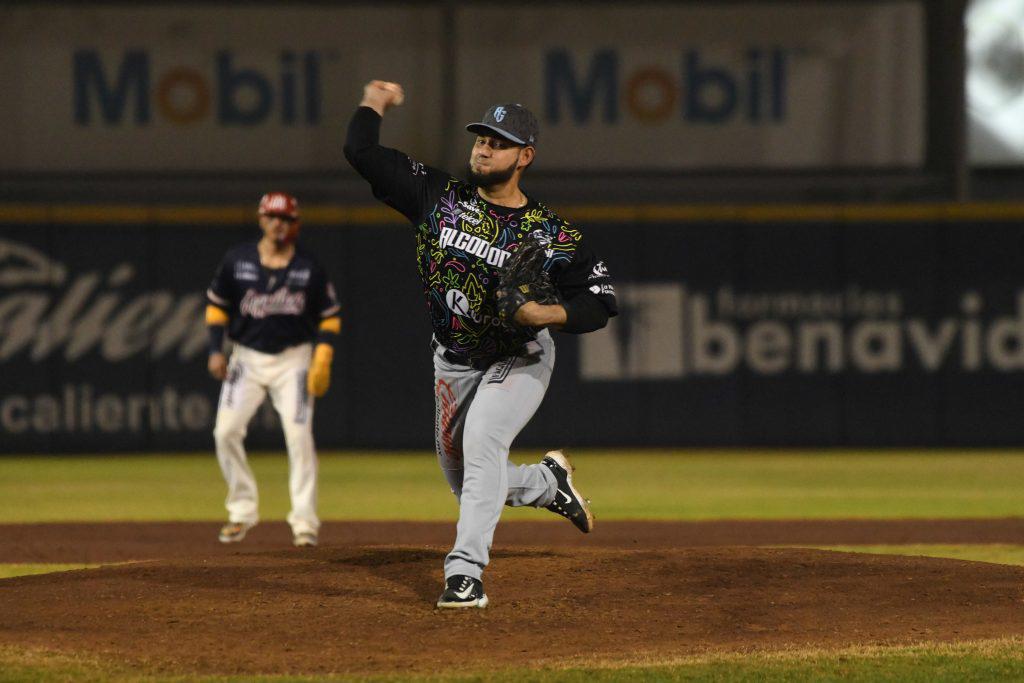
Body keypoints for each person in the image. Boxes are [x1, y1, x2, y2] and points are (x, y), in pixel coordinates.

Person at [344, 81, 618, 608]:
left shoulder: (551, 234)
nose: (484, 147)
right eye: (481, 138)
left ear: (525, 156)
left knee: (484, 444)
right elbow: (361, 152)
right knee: (465, 477)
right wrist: (374, 100)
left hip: (519, 356)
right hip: (452, 359)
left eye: (499, 141)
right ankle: (545, 483)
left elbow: (599, 301)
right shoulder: (437, 197)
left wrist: (547, 313)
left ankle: (465, 573)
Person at [205, 192, 341, 548]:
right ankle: (242, 511)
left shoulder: (308, 267)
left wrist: (322, 355)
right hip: (245, 358)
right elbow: (217, 307)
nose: (278, 223)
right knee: (225, 431)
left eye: (286, 218)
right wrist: (214, 351)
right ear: (261, 218)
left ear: (294, 223)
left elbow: (330, 315)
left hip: (293, 359)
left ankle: (304, 523)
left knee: (299, 438)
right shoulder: (238, 261)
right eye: (272, 216)